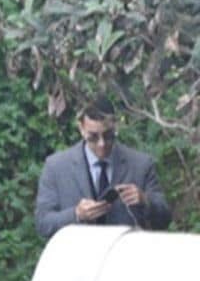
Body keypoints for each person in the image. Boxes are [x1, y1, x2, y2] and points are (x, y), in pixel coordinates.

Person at [34, 96, 172, 238]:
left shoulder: (141, 165)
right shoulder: (56, 167)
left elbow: (165, 219)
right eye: (93, 137)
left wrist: (145, 201)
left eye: (108, 136)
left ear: (115, 126)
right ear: (81, 128)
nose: (102, 144)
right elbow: (42, 224)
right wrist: (76, 214)